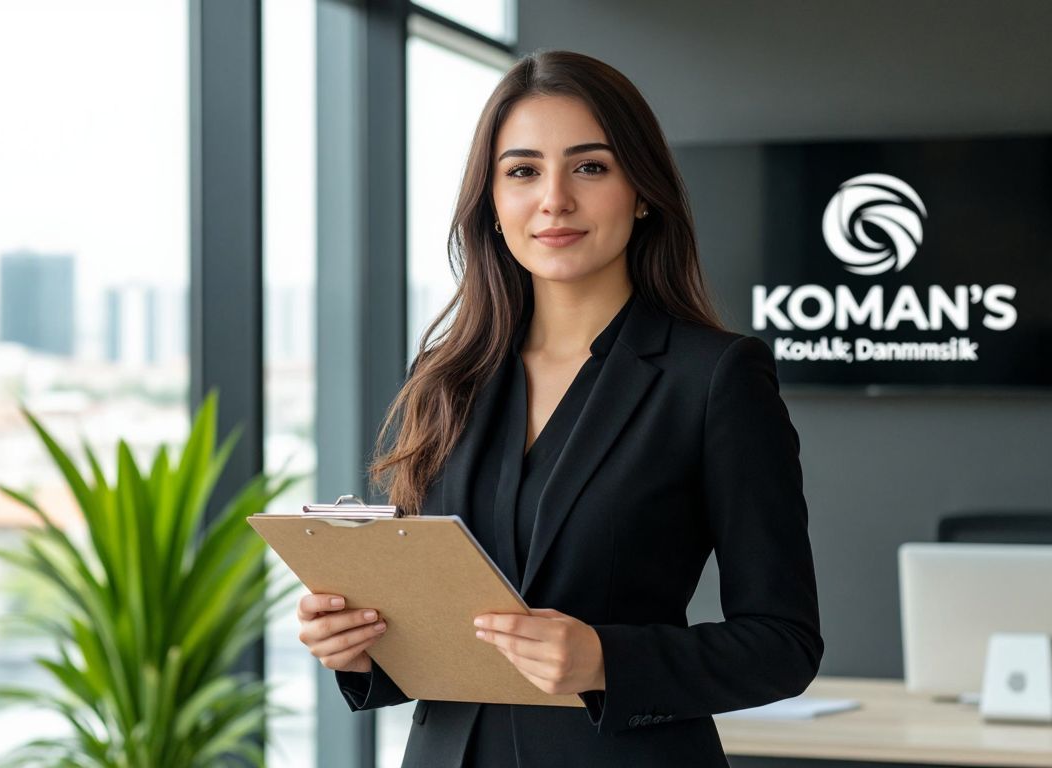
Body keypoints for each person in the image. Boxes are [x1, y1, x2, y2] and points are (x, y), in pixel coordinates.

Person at [295, 48, 822, 768]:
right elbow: (442, 627)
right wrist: (359, 647)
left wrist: (606, 658)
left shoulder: (714, 378)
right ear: (491, 201)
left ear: (642, 191)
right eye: (522, 171)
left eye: (590, 167)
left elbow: (784, 644)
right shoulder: (448, 377)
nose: (554, 200)